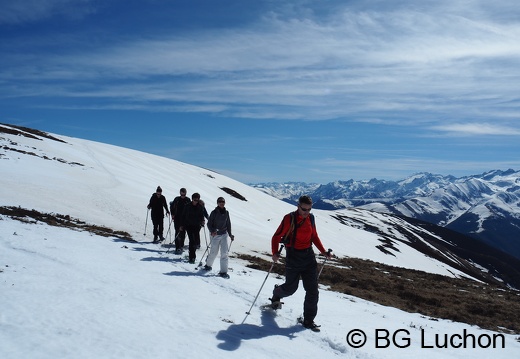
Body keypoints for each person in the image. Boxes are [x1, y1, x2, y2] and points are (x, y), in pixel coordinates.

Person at [270, 195, 332, 331]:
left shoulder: (311, 218)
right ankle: (277, 293)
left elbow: (314, 236)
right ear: (298, 206)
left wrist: (323, 251)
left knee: (312, 290)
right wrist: (275, 253)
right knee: (291, 288)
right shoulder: (289, 218)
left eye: (309, 210)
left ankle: (309, 320)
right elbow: (276, 236)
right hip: (293, 256)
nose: (306, 213)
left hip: (309, 256)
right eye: (304, 209)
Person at [203, 197, 235, 278]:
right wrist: (212, 231)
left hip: (224, 234)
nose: (221, 203)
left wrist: (230, 234)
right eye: (220, 202)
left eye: (223, 202)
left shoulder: (226, 212)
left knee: (224, 253)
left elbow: (228, 224)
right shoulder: (214, 213)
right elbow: (209, 224)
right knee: (214, 252)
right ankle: (208, 265)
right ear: (217, 203)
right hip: (215, 234)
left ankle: (223, 271)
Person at [179, 192, 205, 264]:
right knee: (192, 240)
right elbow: (183, 216)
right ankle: (192, 257)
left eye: (197, 200)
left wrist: (202, 221)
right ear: (192, 199)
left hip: (197, 226)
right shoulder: (187, 206)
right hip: (188, 225)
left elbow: (201, 215)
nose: (195, 201)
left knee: (195, 241)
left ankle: (192, 254)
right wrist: (181, 225)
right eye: (194, 199)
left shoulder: (200, 207)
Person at [170, 188, 191, 253]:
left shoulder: (188, 200)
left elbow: (191, 209)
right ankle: (177, 247)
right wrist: (172, 214)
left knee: (183, 232)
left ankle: (181, 245)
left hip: (185, 219)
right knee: (177, 231)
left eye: (184, 194)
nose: (182, 196)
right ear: (180, 193)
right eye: (181, 194)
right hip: (177, 218)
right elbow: (172, 207)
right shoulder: (177, 199)